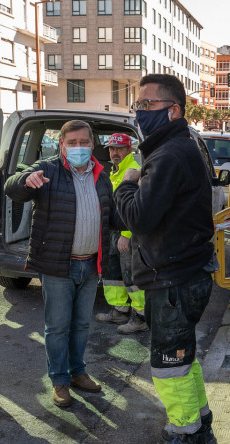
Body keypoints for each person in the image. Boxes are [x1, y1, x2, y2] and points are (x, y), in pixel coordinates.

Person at [115, 73, 219, 444]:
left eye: (147, 105)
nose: (139, 112)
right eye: (138, 105)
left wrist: (126, 186)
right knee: (183, 360)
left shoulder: (169, 154)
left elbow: (139, 217)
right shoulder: (178, 147)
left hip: (173, 279)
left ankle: (188, 438)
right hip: (180, 274)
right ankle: (199, 429)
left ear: (173, 110)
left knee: (168, 365)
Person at [4, 120, 123, 408]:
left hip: (90, 264)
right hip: (58, 265)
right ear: (62, 145)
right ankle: (59, 381)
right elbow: (12, 187)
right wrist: (23, 181)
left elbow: (113, 217)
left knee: (81, 325)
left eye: (84, 142)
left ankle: (78, 373)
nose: (79, 148)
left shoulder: (101, 175)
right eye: (73, 143)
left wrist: (141, 211)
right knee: (57, 327)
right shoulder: (47, 170)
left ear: (92, 145)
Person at [95, 133, 148, 335]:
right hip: (112, 233)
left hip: (127, 234)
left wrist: (127, 234)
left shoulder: (133, 171)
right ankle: (119, 309)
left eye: (119, 149)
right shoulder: (115, 172)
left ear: (129, 150)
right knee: (113, 274)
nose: (114, 153)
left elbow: (135, 208)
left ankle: (140, 316)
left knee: (131, 276)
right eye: (111, 149)